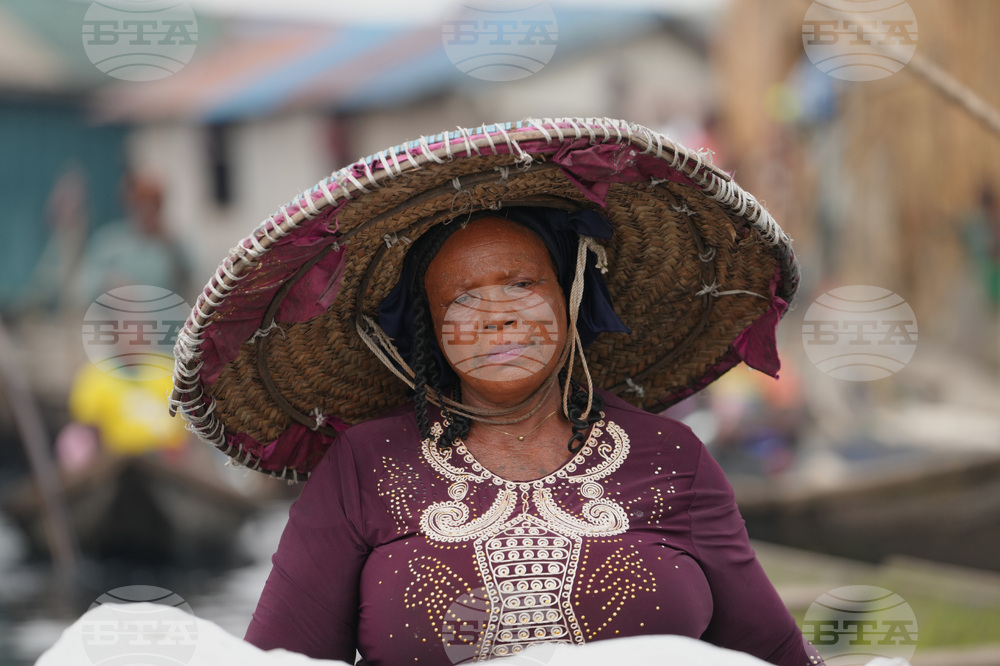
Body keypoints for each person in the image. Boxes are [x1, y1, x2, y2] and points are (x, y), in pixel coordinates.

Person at [169, 119, 823, 665]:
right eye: (462, 298)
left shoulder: (671, 459)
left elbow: (774, 654)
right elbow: (279, 662)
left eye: (520, 284)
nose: (497, 318)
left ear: (571, 297)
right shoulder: (363, 468)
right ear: (427, 328)